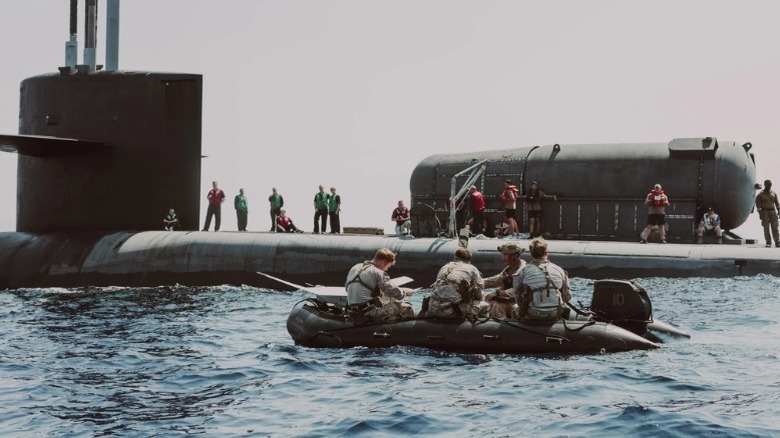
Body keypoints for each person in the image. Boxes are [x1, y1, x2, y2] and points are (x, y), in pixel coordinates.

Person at [344, 248, 415, 321]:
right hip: (367, 312)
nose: (386, 270)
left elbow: (347, 288)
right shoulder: (378, 272)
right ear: (383, 263)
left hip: (351, 311)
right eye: (387, 267)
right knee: (407, 308)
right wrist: (404, 292)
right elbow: (396, 293)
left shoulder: (355, 268)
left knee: (384, 300)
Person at [512, 238, 572, 320]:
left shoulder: (523, 271)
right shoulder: (559, 270)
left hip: (533, 314)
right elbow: (567, 297)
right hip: (555, 313)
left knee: (514, 307)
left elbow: (517, 295)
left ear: (531, 253)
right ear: (546, 252)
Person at [423, 248, 489, 319]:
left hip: (432, 309)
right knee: (485, 305)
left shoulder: (444, 267)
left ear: (454, 257)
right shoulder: (472, 269)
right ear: (469, 260)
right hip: (453, 313)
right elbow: (479, 294)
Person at [483, 242, 526, 318]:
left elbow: (517, 290)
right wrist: (479, 282)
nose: (502, 258)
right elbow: (497, 280)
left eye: (505, 255)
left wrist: (497, 293)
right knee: (484, 298)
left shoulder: (521, 270)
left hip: (516, 302)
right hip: (508, 300)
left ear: (515, 256)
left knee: (498, 306)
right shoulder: (510, 268)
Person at [755, 179, 780, 248]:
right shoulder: (760, 195)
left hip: (773, 212)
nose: (769, 186)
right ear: (765, 185)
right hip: (764, 212)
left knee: (775, 227)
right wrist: (760, 214)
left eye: (770, 185)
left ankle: (777, 242)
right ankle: (768, 242)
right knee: (766, 228)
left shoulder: (774, 194)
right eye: (768, 185)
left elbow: (777, 203)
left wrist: (778, 210)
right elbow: (758, 205)